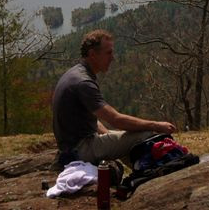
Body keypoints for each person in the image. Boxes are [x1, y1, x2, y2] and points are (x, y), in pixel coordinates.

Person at [51, 29, 176, 166]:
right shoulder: (84, 83)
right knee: (146, 134)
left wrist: (108, 135)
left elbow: (93, 119)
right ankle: (154, 171)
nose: (113, 57)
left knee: (124, 139)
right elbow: (116, 119)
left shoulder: (76, 74)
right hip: (80, 150)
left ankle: (143, 173)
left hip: (71, 147)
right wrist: (157, 125)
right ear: (92, 54)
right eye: (108, 53)